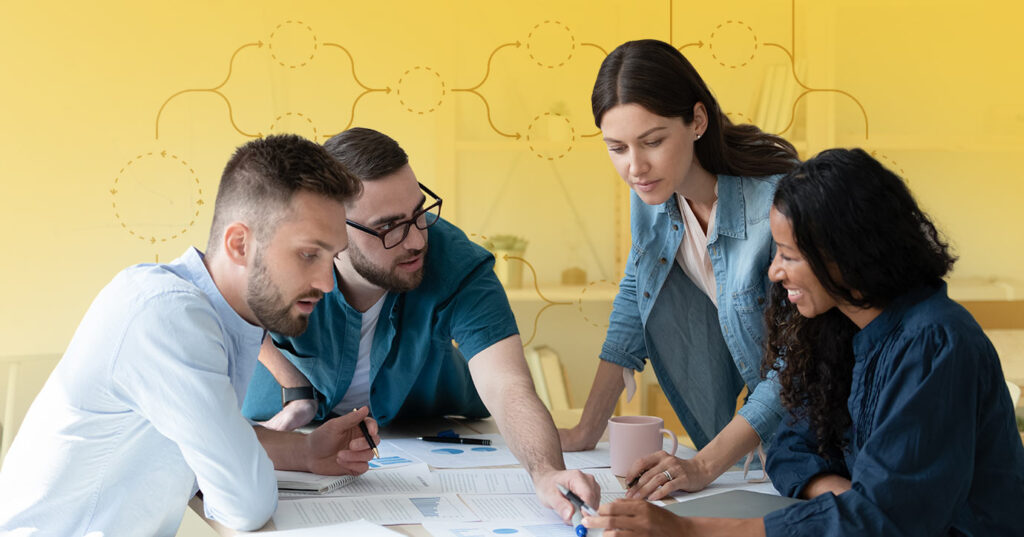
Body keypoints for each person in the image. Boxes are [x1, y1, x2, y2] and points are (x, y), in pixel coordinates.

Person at [583, 148, 1024, 536]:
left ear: (847, 255)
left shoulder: (934, 342)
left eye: (789, 256)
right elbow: (791, 446)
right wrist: (845, 502)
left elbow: (890, 523)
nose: (774, 271)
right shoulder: (840, 325)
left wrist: (691, 530)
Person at [0, 135, 381, 536]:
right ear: (239, 244)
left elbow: (204, 435)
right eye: (308, 254)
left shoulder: (218, 315)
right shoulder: (168, 317)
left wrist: (306, 452)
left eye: (332, 257)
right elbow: (245, 504)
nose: (326, 282)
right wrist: (251, 471)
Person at [241, 127, 600, 521]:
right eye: (389, 227)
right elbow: (230, 309)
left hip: (417, 440)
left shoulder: (457, 261)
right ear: (332, 225)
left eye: (419, 213)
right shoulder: (282, 249)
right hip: (282, 436)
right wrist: (295, 387)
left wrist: (546, 471)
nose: (415, 240)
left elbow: (507, 383)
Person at [559, 38, 797, 498]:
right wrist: (586, 431)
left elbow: (798, 362)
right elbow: (636, 295)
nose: (635, 167)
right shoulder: (651, 192)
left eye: (652, 141)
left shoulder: (778, 204)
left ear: (698, 121)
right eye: (617, 148)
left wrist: (702, 467)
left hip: (827, 433)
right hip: (766, 450)